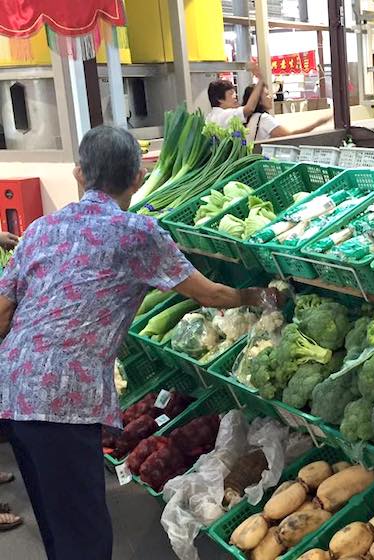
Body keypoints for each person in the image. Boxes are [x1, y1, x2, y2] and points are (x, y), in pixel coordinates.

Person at [0, 125, 282, 560]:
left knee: (54, 514)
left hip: (14, 388)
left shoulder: (40, 229)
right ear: (136, 178)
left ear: (79, 174)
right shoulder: (136, 232)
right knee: (85, 532)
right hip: (64, 400)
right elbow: (209, 295)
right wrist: (261, 297)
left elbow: (2, 311)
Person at [241, 85, 332, 143]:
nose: (271, 97)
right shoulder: (264, 119)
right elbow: (289, 135)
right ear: (259, 101)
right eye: (267, 95)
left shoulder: (248, 118)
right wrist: (318, 123)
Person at [205, 62, 265, 127]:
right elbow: (249, 109)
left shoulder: (210, 116)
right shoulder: (223, 115)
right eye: (231, 94)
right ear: (219, 99)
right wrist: (260, 79)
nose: (235, 97)